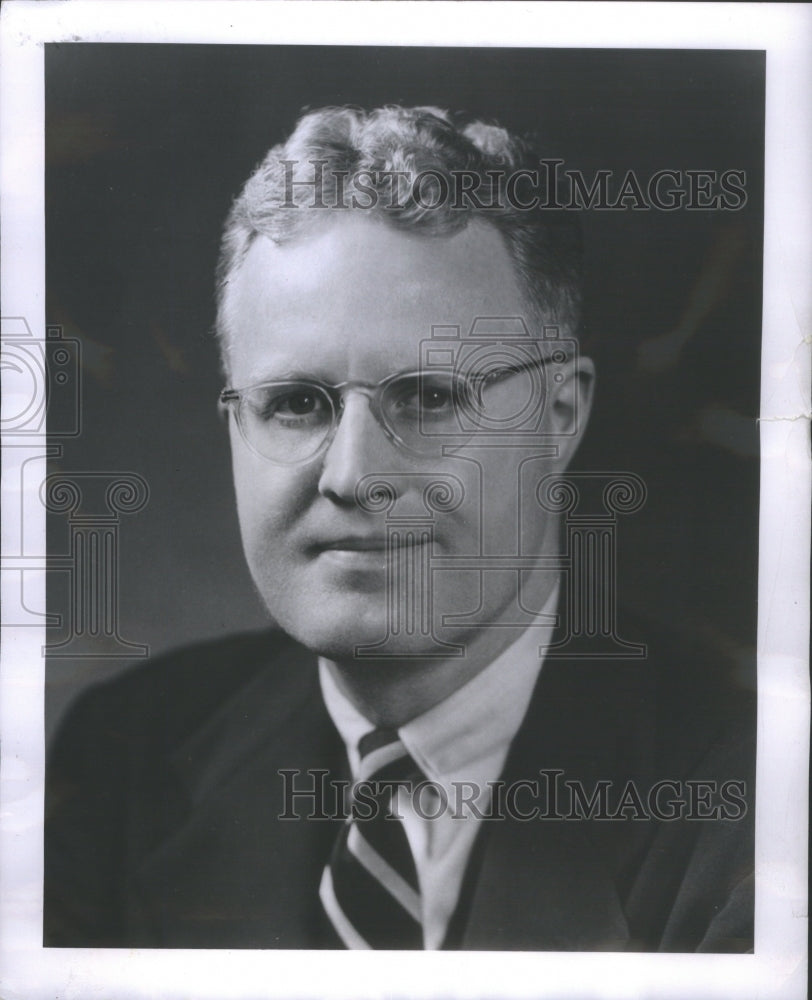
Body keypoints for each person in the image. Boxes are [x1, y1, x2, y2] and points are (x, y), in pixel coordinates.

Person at [44, 105, 754, 951]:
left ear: (559, 416)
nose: (352, 476)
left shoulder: (749, 799)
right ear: (236, 427)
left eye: (428, 397)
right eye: (296, 405)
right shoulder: (121, 758)